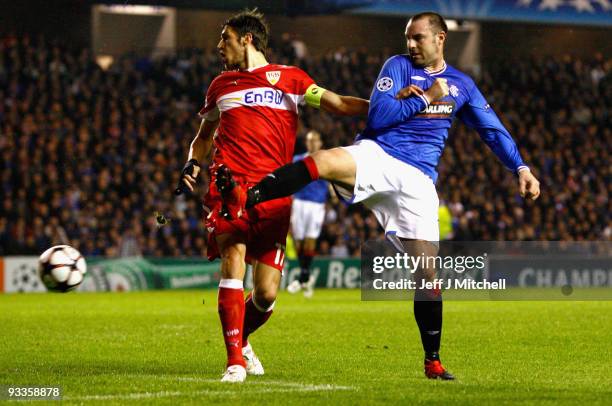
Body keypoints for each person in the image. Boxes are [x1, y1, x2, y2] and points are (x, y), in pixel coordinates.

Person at [233, 11, 541, 380]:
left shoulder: (462, 85)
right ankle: (252, 195)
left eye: (419, 38)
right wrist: (427, 96)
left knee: (427, 274)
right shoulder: (396, 66)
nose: (410, 45)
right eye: (408, 38)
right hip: (378, 154)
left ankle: (433, 361)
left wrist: (520, 168)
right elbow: (377, 118)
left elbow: (492, 130)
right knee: (323, 160)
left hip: (418, 181)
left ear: (441, 39)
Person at [176, 9, 370, 383]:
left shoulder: (292, 80)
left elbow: (340, 104)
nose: (219, 46)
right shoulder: (220, 86)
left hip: (274, 192)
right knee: (232, 260)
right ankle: (234, 362)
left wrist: (391, 109)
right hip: (229, 188)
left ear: (246, 39)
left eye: (225, 38)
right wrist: (192, 165)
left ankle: (242, 338)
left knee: (265, 293)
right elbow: (202, 138)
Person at [287, 130, 329, 298]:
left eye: (315, 140)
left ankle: (302, 277)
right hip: (298, 202)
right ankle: (306, 277)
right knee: (298, 241)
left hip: (316, 204)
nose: (312, 143)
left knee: (310, 239)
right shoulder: (298, 160)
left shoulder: (326, 159)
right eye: (309, 140)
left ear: (320, 143)